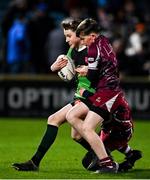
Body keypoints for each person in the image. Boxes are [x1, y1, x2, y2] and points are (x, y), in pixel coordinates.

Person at [12, 17, 95, 171]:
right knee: (75, 136)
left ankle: (35, 162)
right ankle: (108, 153)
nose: (66, 39)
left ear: (79, 34)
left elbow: (106, 72)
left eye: (69, 36)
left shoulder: (92, 50)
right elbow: (67, 73)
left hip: (92, 97)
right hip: (80, 97)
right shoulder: (72, 50)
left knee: (55, 119)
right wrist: (54, 67)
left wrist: (89, 71)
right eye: (65, 36)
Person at [65, 18, 141, 173]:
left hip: (108, 92)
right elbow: (107, 66)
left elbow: (92, 78)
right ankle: (117, 155)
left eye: (84, 38)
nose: (84, 42)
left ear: (92, 36)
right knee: (74, 120)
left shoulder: (92, 50)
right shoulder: (105, 40)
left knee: (85, 127)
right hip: (107, 90)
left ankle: (108, 163)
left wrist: (83, 72)